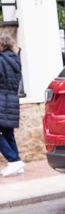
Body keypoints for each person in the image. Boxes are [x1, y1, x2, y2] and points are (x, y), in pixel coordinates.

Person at [0, 35, 24, 177]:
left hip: (2, 99)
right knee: (8, 132)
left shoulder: (1, 60)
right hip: (12, 99)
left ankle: (13, 160)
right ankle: (16, 163)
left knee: (5, 133)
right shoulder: (15, 59)